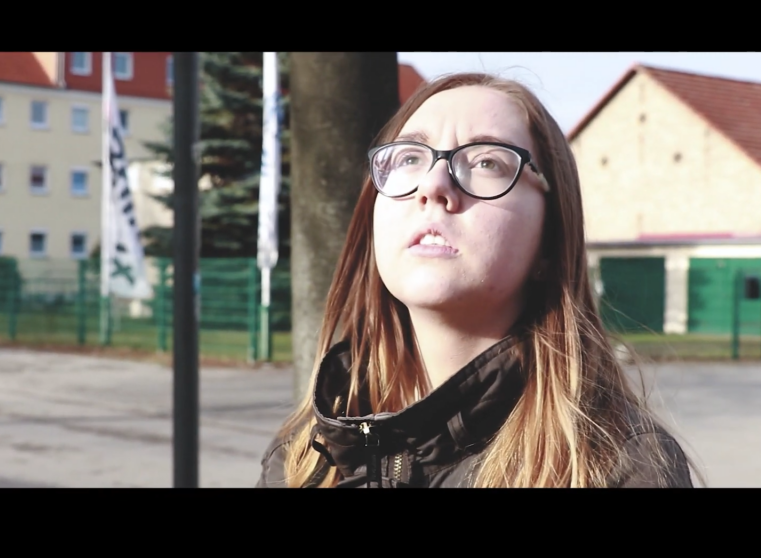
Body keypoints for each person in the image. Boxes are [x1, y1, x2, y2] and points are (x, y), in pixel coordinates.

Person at [256, 72, 697, 488]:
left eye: (487, 162)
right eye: (409, 158)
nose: (433, 185)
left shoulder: (616, 464)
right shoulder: (304, 457)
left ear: (550, 238)